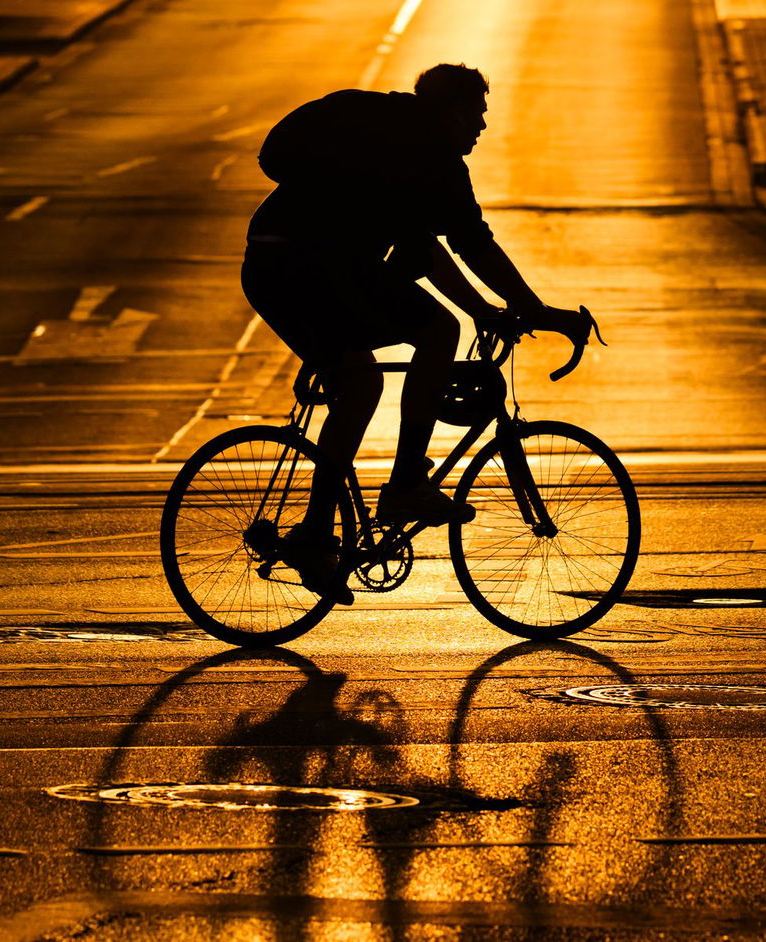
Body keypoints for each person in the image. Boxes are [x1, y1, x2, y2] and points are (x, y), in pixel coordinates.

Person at [241, 64, 581, 605]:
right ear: (450, 111)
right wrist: (532, 310)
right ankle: (393, 492)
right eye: (477, 114)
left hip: (302, 268)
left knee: (388, 366)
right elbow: (469, 244)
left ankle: (335, 521)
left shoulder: (407, 143)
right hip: (301, 269)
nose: (483, 126)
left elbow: (427, 248)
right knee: (402, 356)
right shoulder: (423, 156)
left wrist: (487, 309)